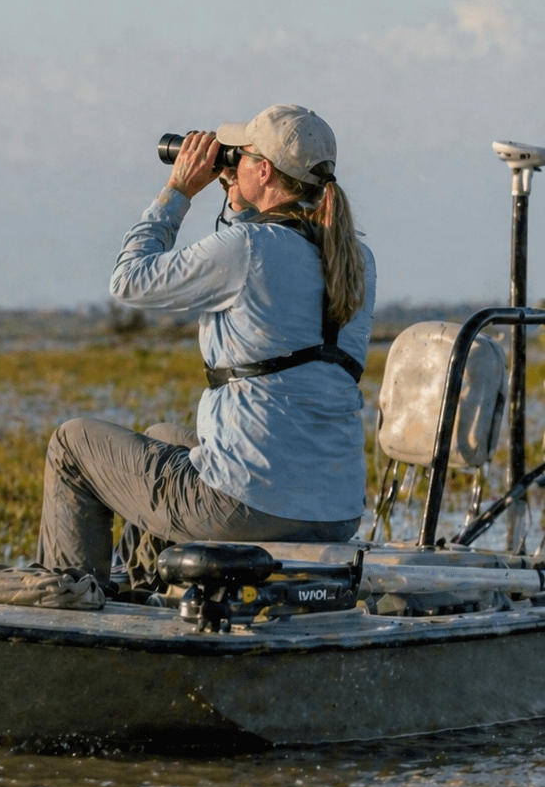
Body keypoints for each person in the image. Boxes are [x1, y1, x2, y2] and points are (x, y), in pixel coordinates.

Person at [37, 104, 376, 590]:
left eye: (239, 157)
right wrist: (241, 204)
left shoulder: (248, 247)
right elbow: (268, 286)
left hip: (246, 508)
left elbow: (128, 281)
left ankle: (65, 603)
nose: (229, 165)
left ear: (262, 169)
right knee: (162, 436)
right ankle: (145, 592)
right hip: (336, 511)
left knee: (72, 442)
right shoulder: (357, 258)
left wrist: (178, 192)